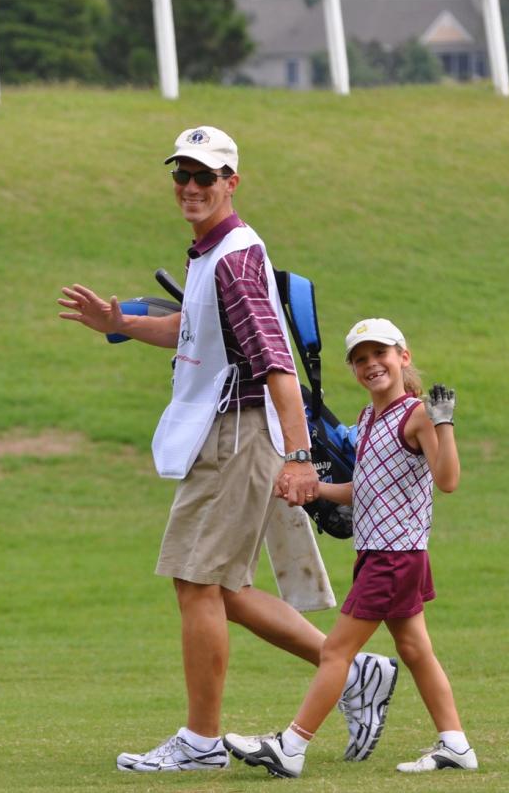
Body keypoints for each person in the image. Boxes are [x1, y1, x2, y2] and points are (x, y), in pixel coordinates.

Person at [57, 127, 398, 773]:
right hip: (230, 432)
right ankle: (352, 673)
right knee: (223, 587)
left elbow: (276, 364)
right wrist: (121, 323)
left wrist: (300, 456)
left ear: (231, 183)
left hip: (239, 434)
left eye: (205, 176)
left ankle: (202, 740)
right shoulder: (213, 253)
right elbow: (193, 331)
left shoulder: (236, 258)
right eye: (182, 174)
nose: (190, 186)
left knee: (196, 582)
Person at [224, 318, 478, 777]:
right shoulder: (367, 419)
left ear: (403, 357)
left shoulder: (417, 415)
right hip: (381, 554)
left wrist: (445, 425)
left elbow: (448, 480)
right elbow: (364, 488)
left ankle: (292, 746)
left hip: (394, 558)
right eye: (360, 359)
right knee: (417, 651)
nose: (371, 364)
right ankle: (456, 744)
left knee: (336, 652)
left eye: (380, 353)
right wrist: (317, 490)